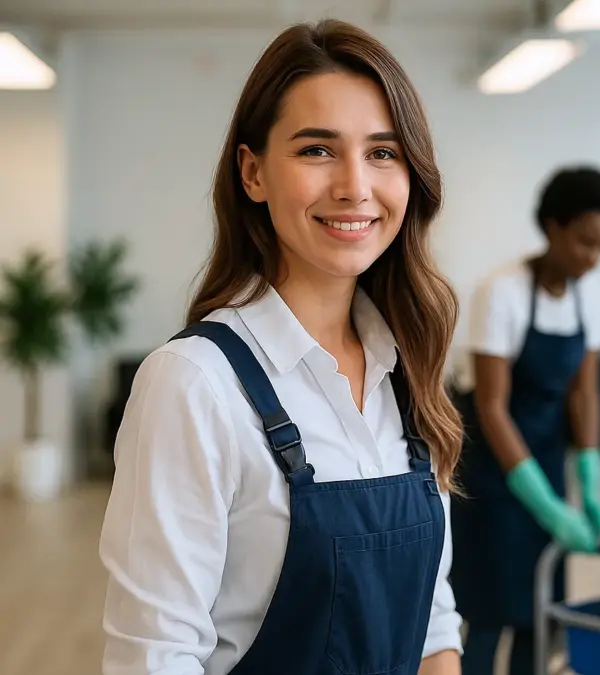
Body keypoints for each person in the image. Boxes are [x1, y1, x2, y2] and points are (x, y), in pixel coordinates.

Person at [98, 20, 464, 675]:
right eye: (318, 150)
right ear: (253, 172)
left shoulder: (408, 376)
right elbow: (153, 658)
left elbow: (433, 620)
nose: (355, 186)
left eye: (383, 152)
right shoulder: (193, 385)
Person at [451, 166, 600, 675]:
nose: (592, 258)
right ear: (552, 228)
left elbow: (584, 392)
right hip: (492, 467)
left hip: (547, 459)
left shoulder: (588, 293)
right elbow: (490, 406)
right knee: (489, 610)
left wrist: (589, 480)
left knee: (540, 609)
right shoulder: (500, 291)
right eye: (584, 243)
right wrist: (543, 503)